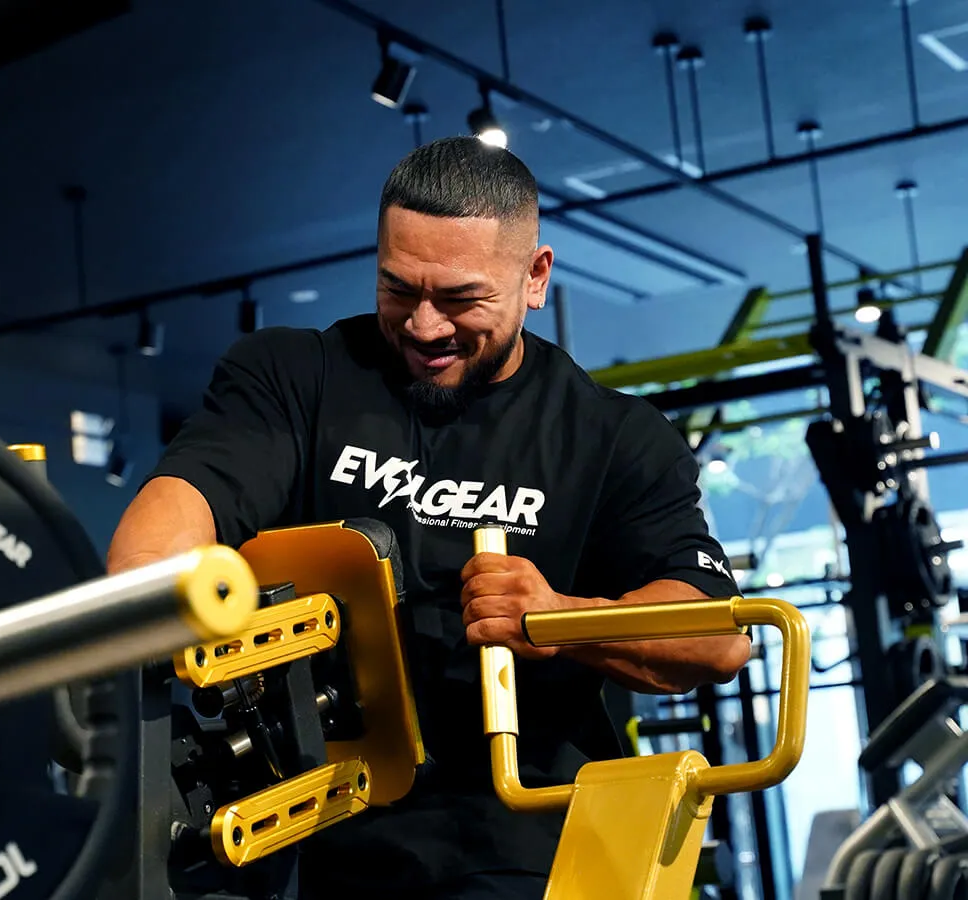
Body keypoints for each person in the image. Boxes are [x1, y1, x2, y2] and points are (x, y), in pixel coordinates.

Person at [107, 136, 751, 900]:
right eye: (398, 288)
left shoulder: (613, 436)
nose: (422, 326)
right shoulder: (295, 377)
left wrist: (562, 618)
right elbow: (176, 512)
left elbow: (716, 639)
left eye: (459, 299)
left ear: (535, 277)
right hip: (303, 827)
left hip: (518, 840)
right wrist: (158, 594)